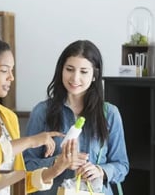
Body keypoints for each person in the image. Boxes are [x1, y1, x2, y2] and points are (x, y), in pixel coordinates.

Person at [0, 18, 87, 194]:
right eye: (4, 70)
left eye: (12, 71)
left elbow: (18, 182)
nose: (11, 78)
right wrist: (30, 141)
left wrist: (56, 168)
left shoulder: (8, 117)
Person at [23, 40, 129, 195]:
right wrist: (57, 162)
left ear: (94, 75)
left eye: (84, 71)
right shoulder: (42, 111)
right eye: (70, 69)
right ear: (61, 70)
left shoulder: (110, 114)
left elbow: (122, 165)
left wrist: (100, 171)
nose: (75, 78)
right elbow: (26, 165)